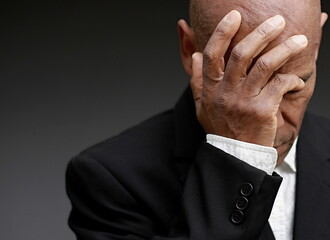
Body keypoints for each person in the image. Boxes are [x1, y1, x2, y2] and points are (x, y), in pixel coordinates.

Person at [66, 0, 330, 239]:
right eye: (243, 90)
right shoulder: (111, 180)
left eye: (295, 88)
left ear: (316, 47)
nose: (272, 123)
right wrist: (241, 156)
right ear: (189, 49)